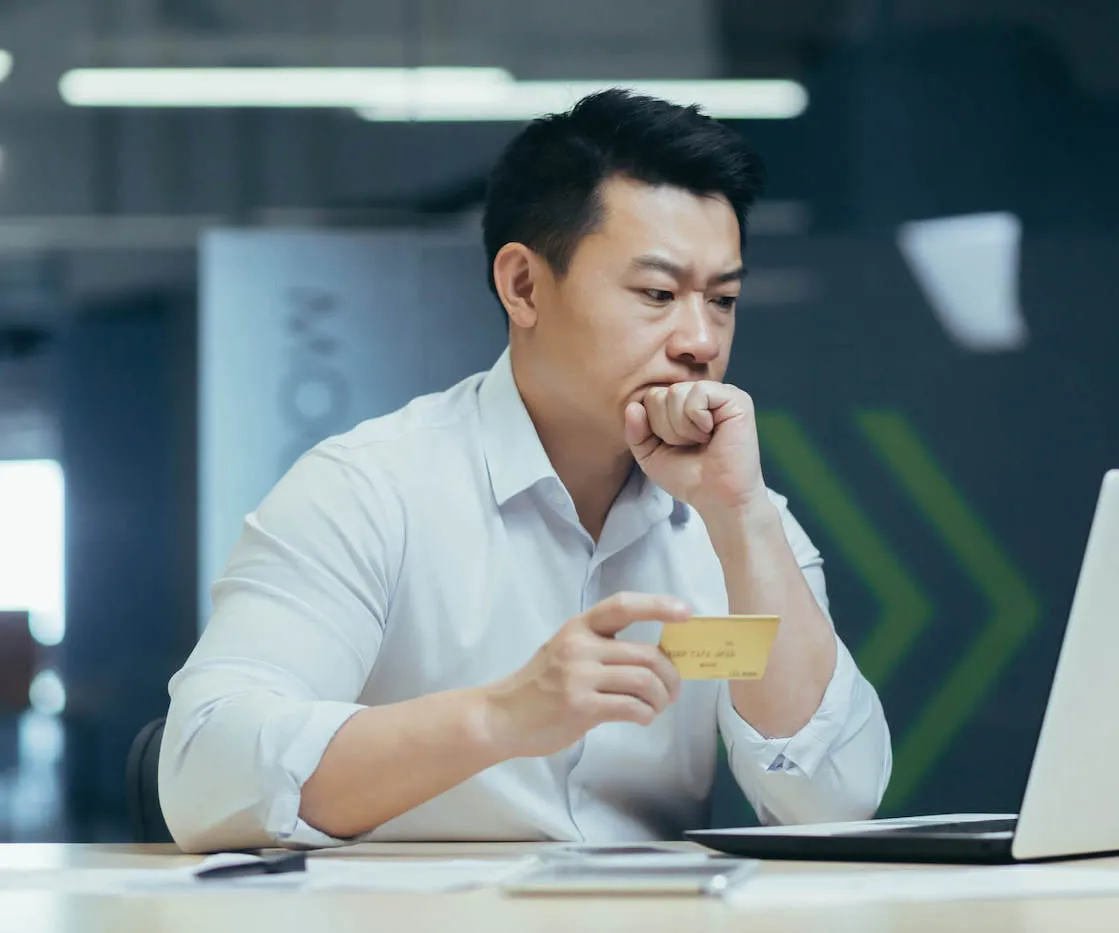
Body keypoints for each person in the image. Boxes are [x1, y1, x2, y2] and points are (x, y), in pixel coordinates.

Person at [159, 89, 892, 852]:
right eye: (657, 294)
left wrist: (740, 518)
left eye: (724, 299)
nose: (700, 340)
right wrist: (499, 718)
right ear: (523, 286)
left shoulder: (739, 518)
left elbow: (831, 803)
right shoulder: (367, 488)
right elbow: (201, 773)